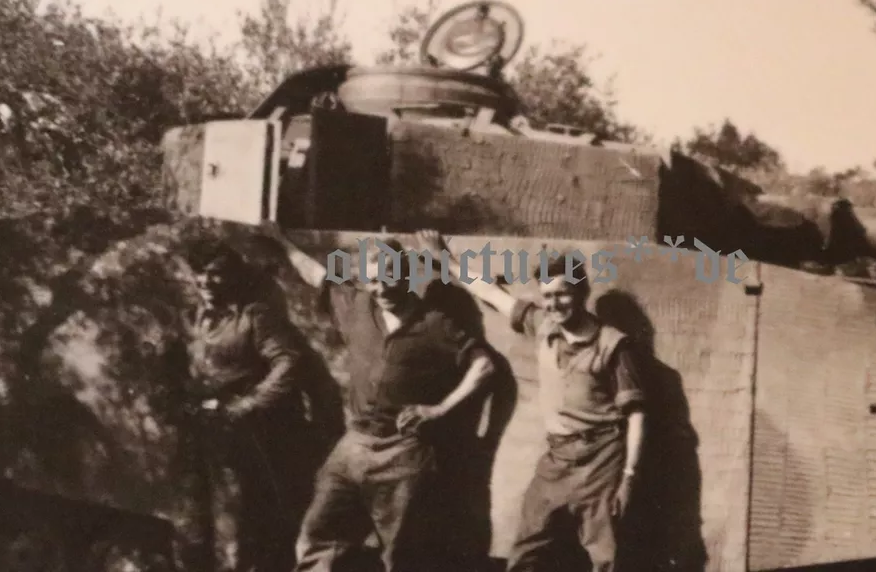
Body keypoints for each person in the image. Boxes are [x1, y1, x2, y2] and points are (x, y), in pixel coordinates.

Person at [262, 226, 497, 572]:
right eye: (373, 280)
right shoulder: (356, 304)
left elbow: (484, 365)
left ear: (406, 274)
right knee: (317, 534)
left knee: (401, 554)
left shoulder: (436, 323)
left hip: (404, 451)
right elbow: (316, 274)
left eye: (391, 277)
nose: (382, 288)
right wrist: (280, 240)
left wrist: (439, 409)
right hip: (355, 444)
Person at [417, 231, 646, 572]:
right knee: (528, 546)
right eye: (548, 296)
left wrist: (629, 477)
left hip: (600, 459)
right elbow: (490, 293)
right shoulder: (543, 324)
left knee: (605, 556)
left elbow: (637, 415)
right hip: (556, 458)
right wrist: (444, 259)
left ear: (581, 292)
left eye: (562, 295)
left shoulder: (614, 346)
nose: (554, 304)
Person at [187, 242, 319, 572]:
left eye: (215, 274)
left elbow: (289, 361)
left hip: (242, 436)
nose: (205, 281)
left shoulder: (255, 316)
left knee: (237, 526)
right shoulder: (198, 315)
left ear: (231, 278)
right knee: (193, 523)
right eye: (200, 274)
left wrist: (250, 404)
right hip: (200, 433)